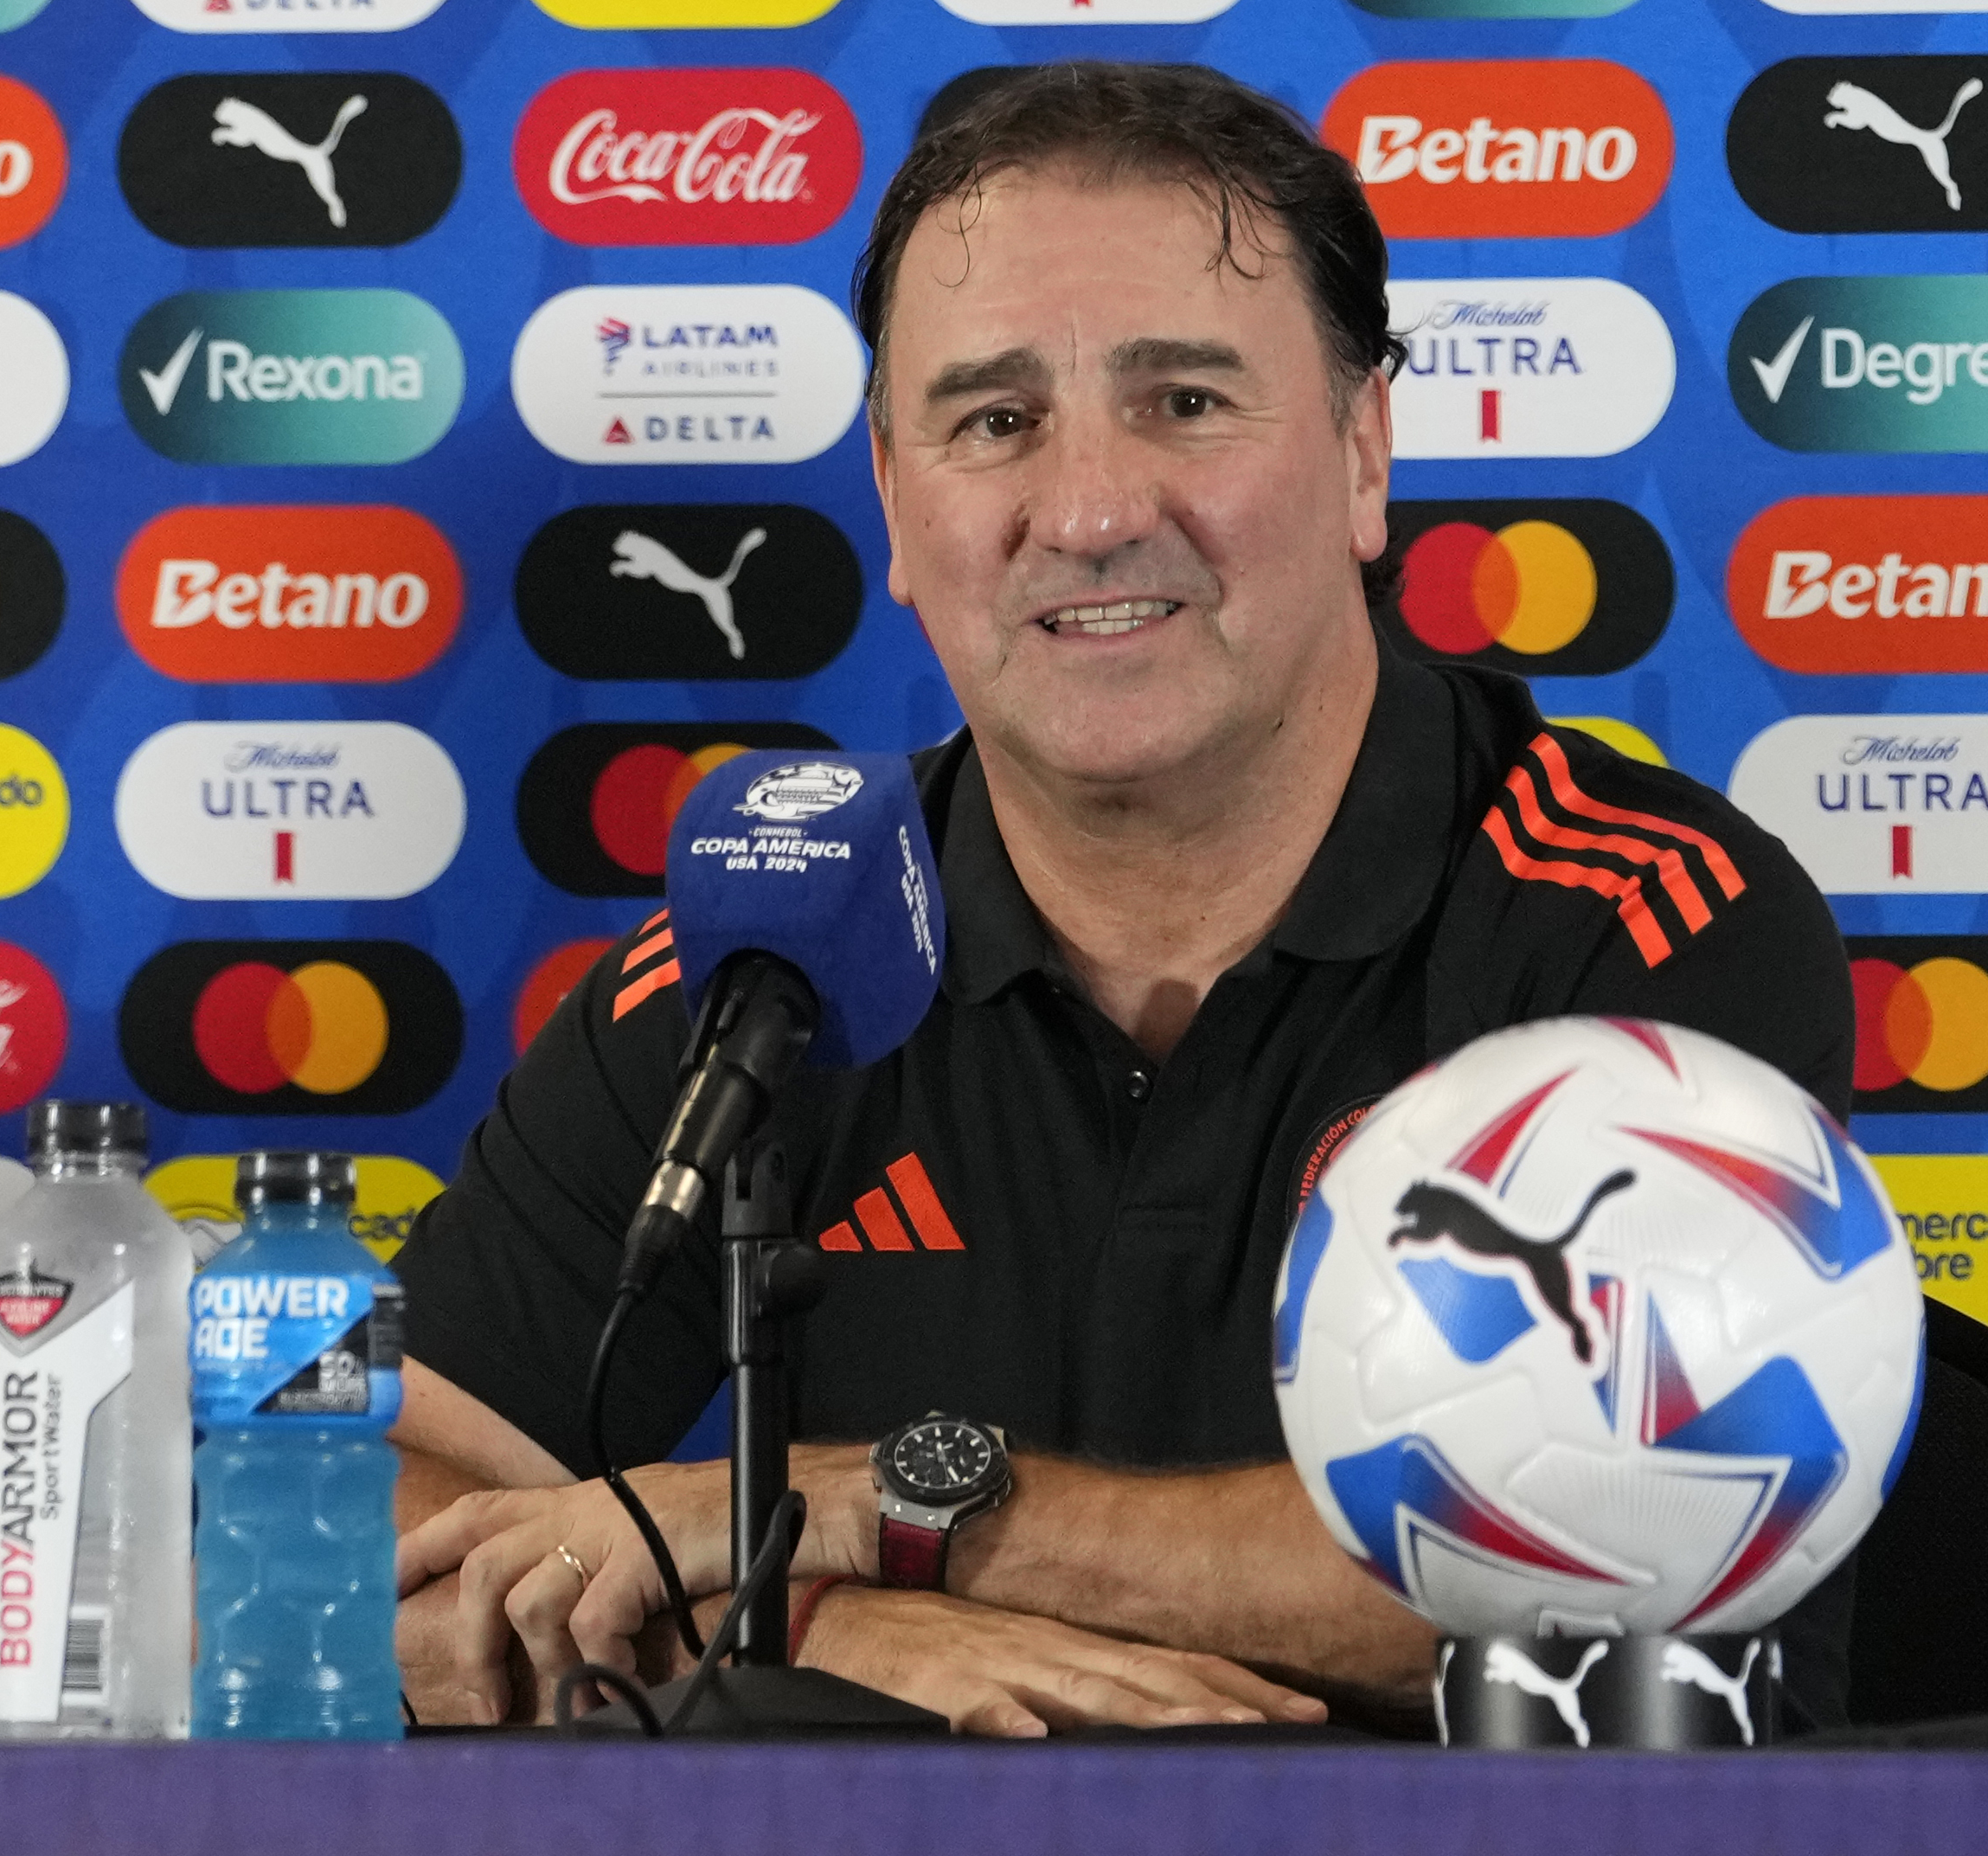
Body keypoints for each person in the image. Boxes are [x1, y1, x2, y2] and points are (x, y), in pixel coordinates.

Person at [388, 61, 1859, 1736]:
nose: (1088, 512)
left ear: (1367, 451)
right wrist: (802, 1632)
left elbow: (1619, 1556)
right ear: (893, 497)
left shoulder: (1641, 925)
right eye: (996, 420)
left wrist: (879, 1503)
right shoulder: (766, 959)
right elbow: (307, 1515)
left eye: (1185, 401)